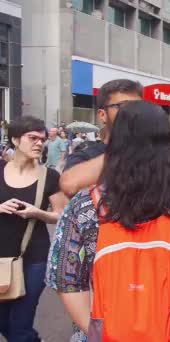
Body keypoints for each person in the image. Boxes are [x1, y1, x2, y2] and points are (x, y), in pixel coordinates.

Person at [46, 101, 170, 341]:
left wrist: (98, 333)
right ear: (166, 143)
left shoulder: (85, 205)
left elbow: (65, 279)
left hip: (107, 329)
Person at [0, 116, 62, 341]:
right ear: (15, 140)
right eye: (32, 138)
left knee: (19, 326)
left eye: (42, 139)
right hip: (1, 258)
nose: (39, 143)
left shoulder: (51, 176)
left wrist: (37, 213)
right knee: (4, 323)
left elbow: (60, 215)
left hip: (34, 257)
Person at [60, 79, 143, 182]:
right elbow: (69, 189)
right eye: (123, 106)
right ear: (102, 115)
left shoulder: (151, 157)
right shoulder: (85, 157)